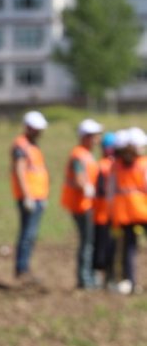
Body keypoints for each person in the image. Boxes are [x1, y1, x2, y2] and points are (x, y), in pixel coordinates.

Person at [60, 118, 104, 289]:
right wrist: (86, 187)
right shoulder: (79, 154)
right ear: (86, 137)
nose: (97, 139)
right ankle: (85, 279)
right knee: (87, 242)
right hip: (81, 205)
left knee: (88, 242)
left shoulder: (86, 153)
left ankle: (87, 277)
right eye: (94, 135)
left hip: (86, 204)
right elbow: (79, 178)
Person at [10, 110, 49, 284]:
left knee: (31, 235)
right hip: (29, 198)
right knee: (27, 234)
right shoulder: (21, 145)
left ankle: (24, 267)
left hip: (38, 197)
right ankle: (22, 269)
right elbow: (20, 170)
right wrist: (27, 196)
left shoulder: (33, 145)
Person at [108, 126, 147, 294]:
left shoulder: (116, 165)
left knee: (128, 249)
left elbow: (111, 191)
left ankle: (130, 281)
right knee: (129, 248)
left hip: (124, 213)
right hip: (142, 211)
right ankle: (130, 281)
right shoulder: (143, 164)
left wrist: (111, 212)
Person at [93, 131, 117, 287]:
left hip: (113, 215)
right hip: (102, 214)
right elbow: (101, 190)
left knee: (111, 247)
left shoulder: (114, 165)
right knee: (101, 247)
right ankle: (99, 277)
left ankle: (109, 277)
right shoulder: (103, 165)